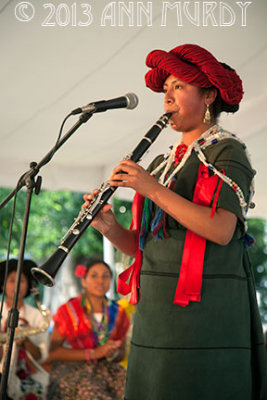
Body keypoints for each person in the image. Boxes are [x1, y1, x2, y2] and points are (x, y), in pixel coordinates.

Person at [82, 44, 267, 399]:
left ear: (209, 95)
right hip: (156, 311)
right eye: (165, 90)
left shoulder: (227, 151)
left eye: (178, 87)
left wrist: (150, 189)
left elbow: (221, 229)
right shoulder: (161, 163)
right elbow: (143, 244)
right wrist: (109, 228)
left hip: (205, 312)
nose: (167, 97)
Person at [47, 258, 130, 400]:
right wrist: (94, 353)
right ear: (84, 281)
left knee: (130, 389)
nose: (100, 281)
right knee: (91, 392)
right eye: (94, 275)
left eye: (105, 276)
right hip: (73, 368)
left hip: (107, 369)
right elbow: (54, 353)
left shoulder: (118, 312)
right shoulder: (68, 311)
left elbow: (121, 354)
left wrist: (112, 353)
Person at [0, 259, 49, 400]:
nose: (16, 286)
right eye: (11, 280)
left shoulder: (37, 316)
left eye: (21, 281)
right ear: (3, 285)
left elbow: (41, 356)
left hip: (28, 377)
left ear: (28, 286)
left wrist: (25, 341)